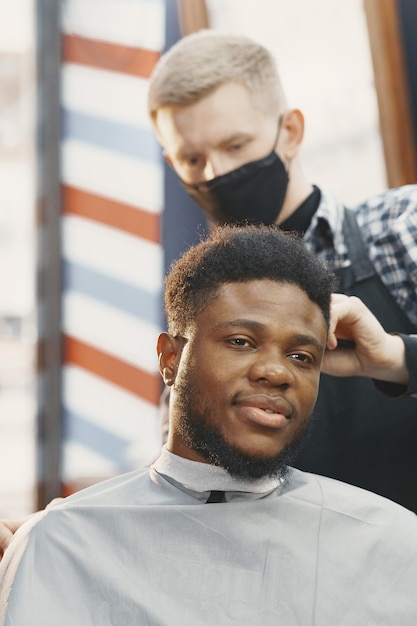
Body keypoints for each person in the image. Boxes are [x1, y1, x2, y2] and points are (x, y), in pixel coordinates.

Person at [1, 225, 417, 625]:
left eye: (301, 357)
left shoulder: (391, 545)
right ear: (170, 359)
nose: (276, 372)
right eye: (241, 341)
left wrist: (397, 359)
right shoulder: (63, 544)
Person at [147, 29, 417, 511]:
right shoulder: (197, 308)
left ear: (289, 132)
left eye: (235, 146)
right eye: (193, 159)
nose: (215, 174)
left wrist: (397, 360)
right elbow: (184, 496)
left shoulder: (401, 231)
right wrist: (60, 528)